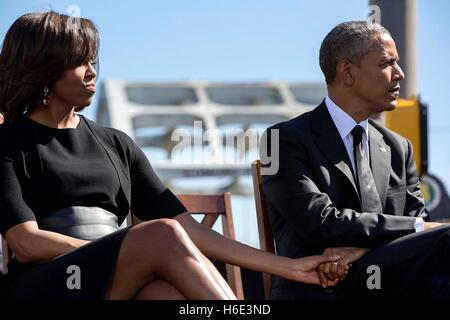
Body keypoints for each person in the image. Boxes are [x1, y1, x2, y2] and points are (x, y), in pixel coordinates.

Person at [0, 11, 342, 300]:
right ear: (43, 69)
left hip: (117, 277)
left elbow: (188, 230)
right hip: (47, 282)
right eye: (78, 62)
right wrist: (121, 250)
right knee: (159, 235)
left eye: (93, 60)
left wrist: (291, 267)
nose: (92, 72)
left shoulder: (116, 143)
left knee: (169, 295)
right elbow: (26, 243)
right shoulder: (7, 141)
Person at [261, 21, 450, 300]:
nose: (400, 74)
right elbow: (321, 223)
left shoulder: (398, 148)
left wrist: (364, 250)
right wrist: (420, 228)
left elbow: (417, 230)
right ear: (347, 72)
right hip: (321, 286)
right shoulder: (281, 140)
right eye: (387, 63)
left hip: (392, 284)